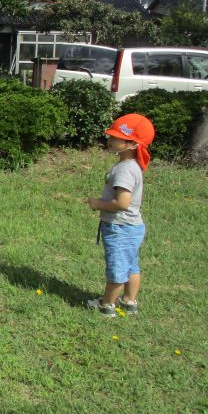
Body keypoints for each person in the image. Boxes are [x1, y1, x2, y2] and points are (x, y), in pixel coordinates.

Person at [86, 114, 155, 317]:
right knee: (131, 265)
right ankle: (129, 301)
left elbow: (122, 203)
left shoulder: (125, 169)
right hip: (133, 227)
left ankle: (107, 305)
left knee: (117, 268)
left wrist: (98, 204)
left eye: (116, 137)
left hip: (120, 228)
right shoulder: (132, 166)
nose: (110, 139)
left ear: (133, 144)